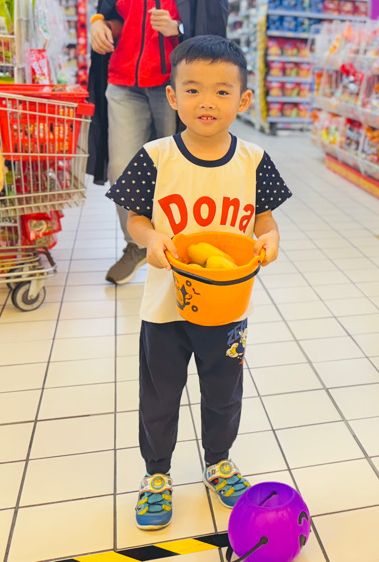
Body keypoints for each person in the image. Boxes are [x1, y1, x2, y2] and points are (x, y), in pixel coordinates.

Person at [106, 36, 291, 530]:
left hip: (227, 307)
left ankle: (218, 462)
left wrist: (271, 239)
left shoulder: (253, 160)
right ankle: (156, 474)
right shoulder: (156, 156)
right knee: (160, 394)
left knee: (224, 390)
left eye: (221, 91)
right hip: (165, 306)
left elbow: (266, 220)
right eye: (192, 89)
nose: (206, 101)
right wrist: (150, 238)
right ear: (172, 96)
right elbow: (136, 219)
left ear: (243, 100)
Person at [89, 0, 229, 285]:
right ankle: (137, 244)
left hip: (173, 87)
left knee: (176, 172)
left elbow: (214, 28)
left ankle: (179, 248)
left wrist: (179, 29)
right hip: (122, 83)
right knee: (123, 171)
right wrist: (99, 25)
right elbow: (110, 11)